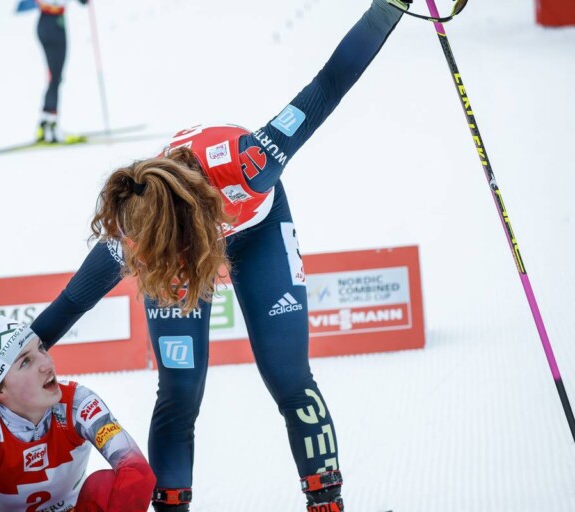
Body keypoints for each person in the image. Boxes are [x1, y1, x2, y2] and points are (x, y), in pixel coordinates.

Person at [31, 0, 410, 510]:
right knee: (180, 391)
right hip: (183, 238)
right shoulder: (138, 217)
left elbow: (327, 86)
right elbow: (70, 304)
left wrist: (388, 8)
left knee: (289, 376)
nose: (136, 263)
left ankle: (327, 502)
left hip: (257, 234)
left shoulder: (248, 164)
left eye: (145, 257)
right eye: (136, 257)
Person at [0, 315, 156, 512]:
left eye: (41, 348)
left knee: (105, 486)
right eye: (25, 362)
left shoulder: (77, 403)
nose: (47, 364)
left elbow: (137, 469)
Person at [35, 0, 88, 143]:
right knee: (55, 77)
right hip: (53, 24)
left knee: (55, 77)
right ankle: (52, 128)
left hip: (48, 22)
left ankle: (45, 125)